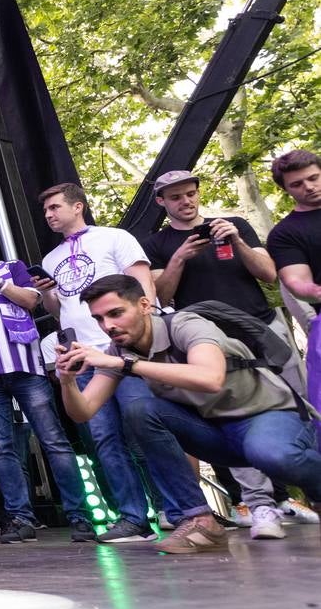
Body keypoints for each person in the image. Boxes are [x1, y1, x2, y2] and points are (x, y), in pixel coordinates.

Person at [55, 274, 321, 553]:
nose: (108, 326)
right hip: (216, 433)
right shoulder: (121, 351)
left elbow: (210, 378)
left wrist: (126, 364)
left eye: (116, 313)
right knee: (141, 410)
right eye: (99, 319)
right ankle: (199, 520)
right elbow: (83, 412)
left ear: (144, 305)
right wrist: (67, 380)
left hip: (267, 414)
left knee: (270, 453)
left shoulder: (184, 325)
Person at [144, 169, 300, 539]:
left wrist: (238, 242)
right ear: (162, 203)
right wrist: (180, 257)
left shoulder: (233, 224)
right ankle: (259, 503)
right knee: (237, 418)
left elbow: (269, 274)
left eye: (190, 193)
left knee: (297, 406)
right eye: (176, 197)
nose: (186, 201)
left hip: (262, 327)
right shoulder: (156, 244)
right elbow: (161, 298)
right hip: (211, 341)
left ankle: (299, 494)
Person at [0, 226, 95, 544]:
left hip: (25, 370)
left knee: (54, 442)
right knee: (1, 450)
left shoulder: (12, 268)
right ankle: (21, 518)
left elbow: (31, 301)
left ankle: (79, 518)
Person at [35, 184, 159, 543]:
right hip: (85, 355)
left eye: (55, 207)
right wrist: (46, 292)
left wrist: (146, 336)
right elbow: (59, 311)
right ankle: (133, 518)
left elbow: (142, 287)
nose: (49, 215)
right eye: (46, 210)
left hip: (124, 349)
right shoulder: (50, 259)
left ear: (79, 206)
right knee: (103, 438)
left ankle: (175, 510)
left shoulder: (114, 238)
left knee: (147, 426)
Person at [268, 150, 321, 416]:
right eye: (297, 184)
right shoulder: (284, 234)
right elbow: (298, 283)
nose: (309, 187)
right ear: (285, 189)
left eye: (314, 178)